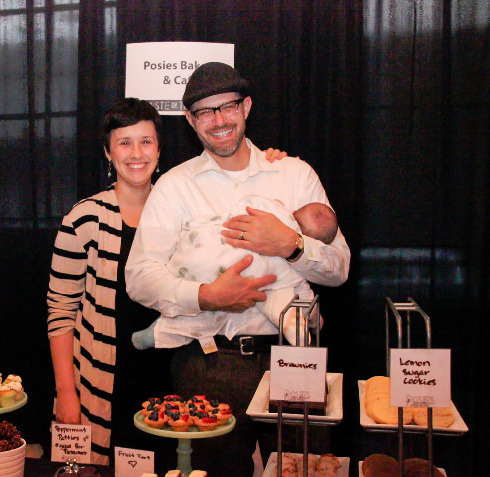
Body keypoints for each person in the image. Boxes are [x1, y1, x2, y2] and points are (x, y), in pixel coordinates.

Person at [125, 62, 350, 475]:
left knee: (305, 468)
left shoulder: (294, 174)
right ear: (192, 122)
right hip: (208, 363)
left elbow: (339, 270)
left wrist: (292, 245)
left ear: (246, 107)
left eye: (227, 106)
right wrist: (206, 296)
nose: (218, 121)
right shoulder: (175, 185)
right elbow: (139, 276)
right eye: (205, 112)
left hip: (294, 358)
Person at [46, 96, 289, 468]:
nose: (136, 153)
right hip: (103, 383)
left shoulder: (186, 204)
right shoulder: (85, 219)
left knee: (178, 467)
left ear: (160, 149)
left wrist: (270, 162)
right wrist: (66, 392)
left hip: (178, 377)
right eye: (124, 143)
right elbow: (60, 311)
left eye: (145, 141)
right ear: (108, 153)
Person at [131, 198, 338, 351]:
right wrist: (314, 319)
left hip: (196, 250)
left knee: (201, 301)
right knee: (209, 316)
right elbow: (304, 295)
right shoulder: (290, 269)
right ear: (316, 243)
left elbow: (245, 204)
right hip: (220, 280)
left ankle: (162, 327)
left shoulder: (271, 206)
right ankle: (160, 332)